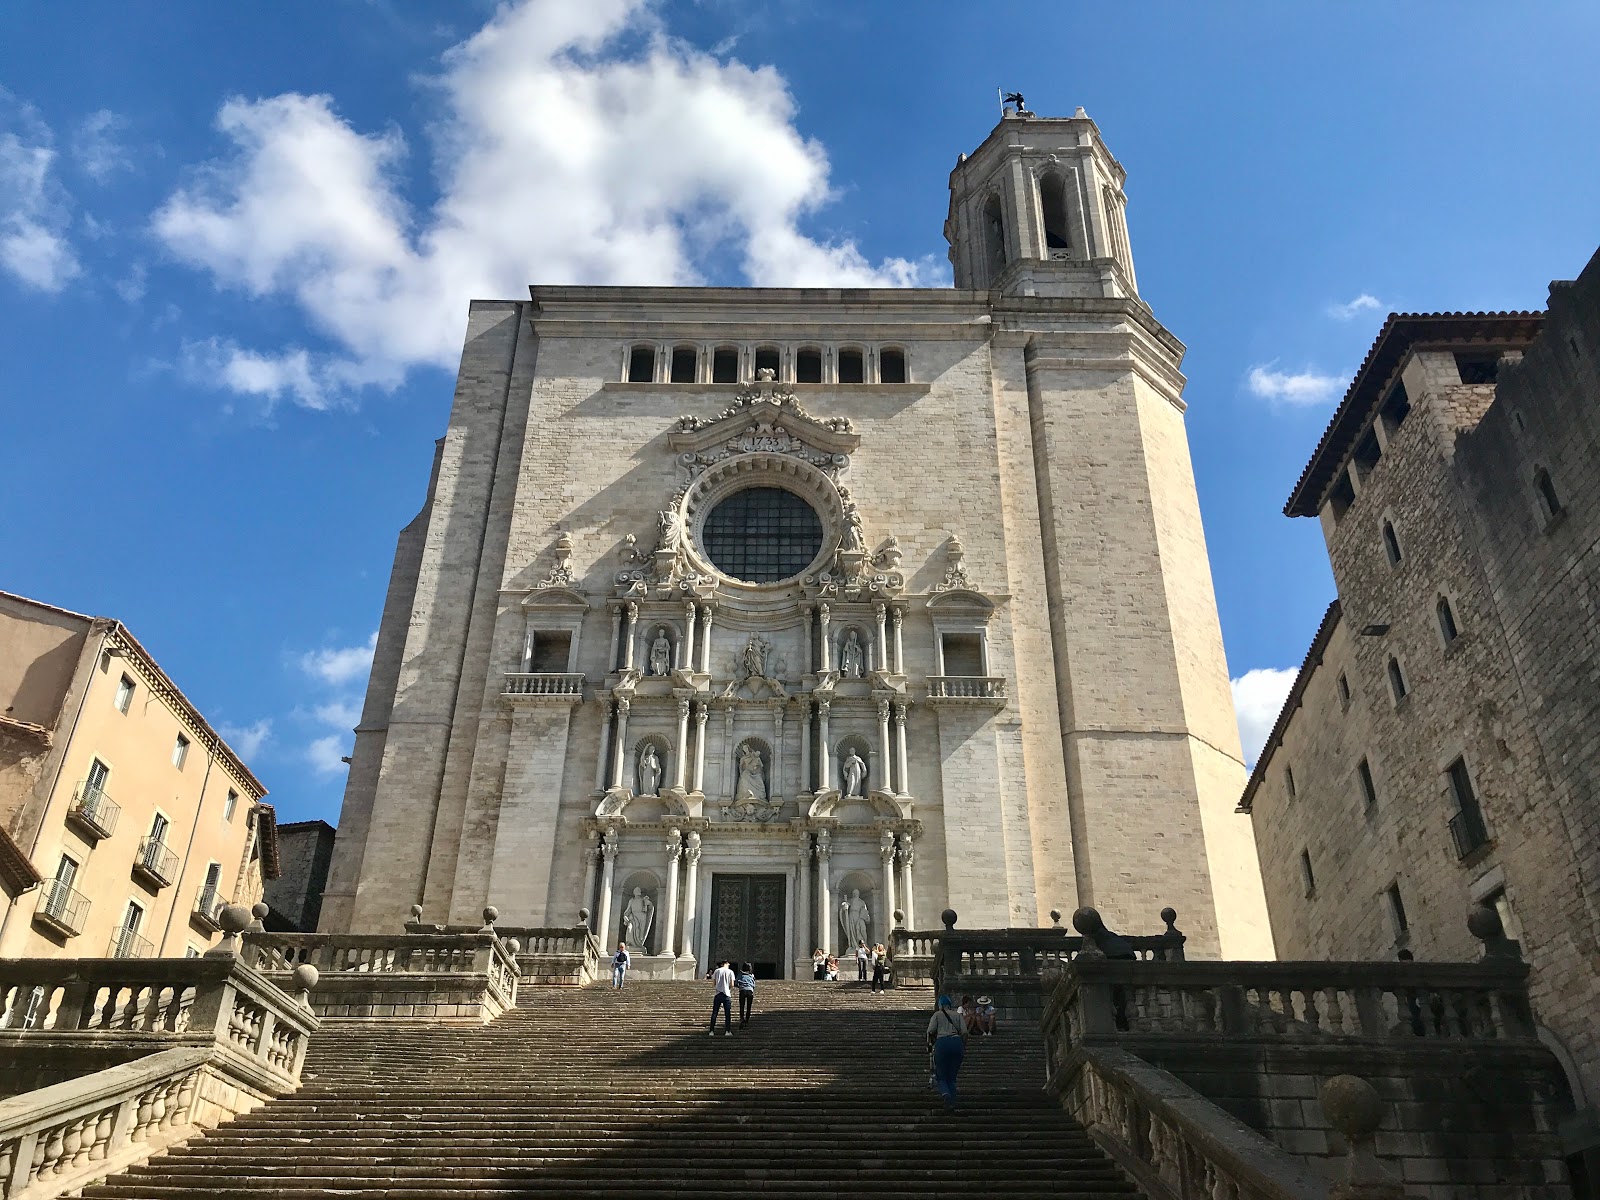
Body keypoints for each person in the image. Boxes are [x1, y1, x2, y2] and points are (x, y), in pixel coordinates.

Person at [927, 994, 967, 1106]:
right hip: (957, 1043)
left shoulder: (937, 1015)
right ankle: (952, 1101)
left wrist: (929, 1046)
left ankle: (946, 1094)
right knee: (952, 1076)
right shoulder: (957, 1015)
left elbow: (930, 1031)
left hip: (942, 1043)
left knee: (941, 1074)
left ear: (940, 1004)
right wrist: (963, 1046)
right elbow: (964, 1032)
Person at [708, 960, 735, 1036]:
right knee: (727, 1014)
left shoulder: (716, 971)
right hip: (726, 994)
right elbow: (732, 984)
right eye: (728, 964)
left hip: (718, 994)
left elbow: (714, 983)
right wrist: (728, 988)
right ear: (725, 964)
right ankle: (727, 1031)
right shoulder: (730, 972)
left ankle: (711, 1031)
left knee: (715, 1013)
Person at [736, 962, 756, 1026]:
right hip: (750, 990)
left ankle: (742, 1018)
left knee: (742, 1005)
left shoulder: (740, 974)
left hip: (743, 990)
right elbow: (753, 983)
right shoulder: (752, 975)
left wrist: (739, 985)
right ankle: (747, 1019)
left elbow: (736, 982)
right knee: (749, 1006)